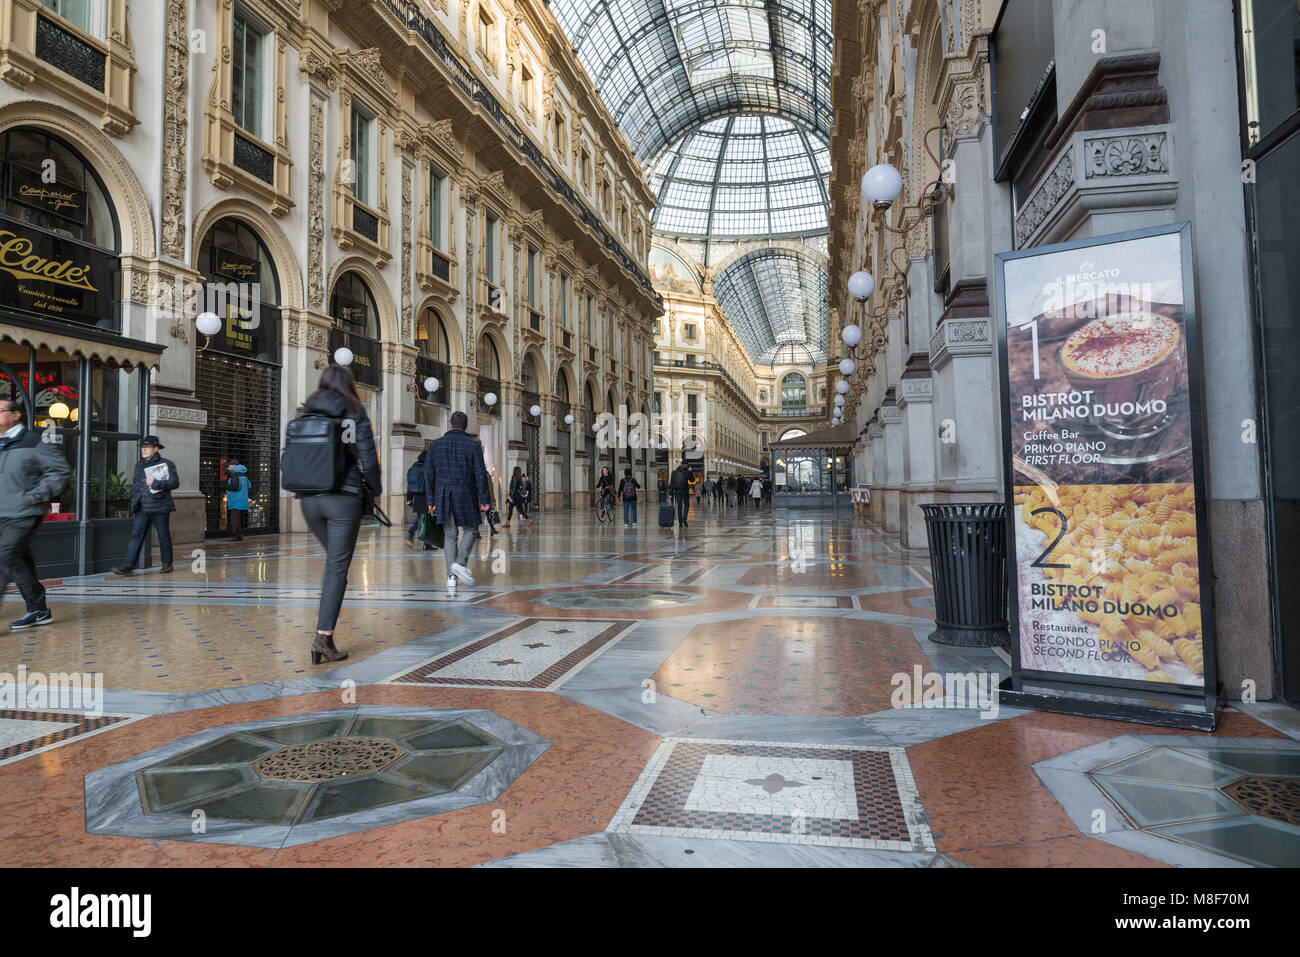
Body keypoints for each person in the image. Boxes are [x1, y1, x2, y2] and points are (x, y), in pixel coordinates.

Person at [294, 365, 381, 664]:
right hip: (341, 499)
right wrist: (375, 489)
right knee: (336, 567)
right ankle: (322, 639)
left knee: (335, 566)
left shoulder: (306, 414)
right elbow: (367, 459)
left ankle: (325, 636)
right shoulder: (353, 412)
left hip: (308, 501)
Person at [0, 398, 70, 630]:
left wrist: (35, 496)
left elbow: (59, 470)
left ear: (15, 415)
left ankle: (37, 608)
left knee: (4, 557)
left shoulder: (33, 442)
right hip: (3, 512)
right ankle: (38, 609)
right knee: (17, 559)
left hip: (24, 512)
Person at [425, 410, 491, 590]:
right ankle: (460, 564)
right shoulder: (473, 445)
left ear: (450, 424)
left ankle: (451, 578)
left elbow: (428, 475)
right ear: (467, 426)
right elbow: (480, 474)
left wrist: (431, 500)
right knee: (471, 529)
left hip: (443, 494)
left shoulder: (436, 445)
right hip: (465, 493)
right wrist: (485, 499)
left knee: (450, 535)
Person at [113, 435, 180, 576]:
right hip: (142, 506)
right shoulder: (139, 464)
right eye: (142, 447)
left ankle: (167, 564)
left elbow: (175, 483)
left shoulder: (167, 464)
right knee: (136, 535)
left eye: (147, 447)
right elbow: (136, 484)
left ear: (155, 449)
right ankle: (128, 566)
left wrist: (155, 483)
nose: (143, 449)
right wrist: (134, 499)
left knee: (163, 535)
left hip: (159, 506)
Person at [404, 451, 434, 550]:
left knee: (423, 519)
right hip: (426, 497)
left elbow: (410, 485)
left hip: (417, 498)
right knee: (425, 520)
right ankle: (411, 532)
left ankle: (427, 543)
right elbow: (431, 484)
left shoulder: (413, 468)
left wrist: (409, 499)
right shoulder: (427, 468)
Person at [225, 458, 250, 542]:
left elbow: (235, 487)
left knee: (235, 519)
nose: (228, 469)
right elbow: (249, 486)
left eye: (228, 467)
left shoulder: (235, 475)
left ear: (233, 466)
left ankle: (235, 536)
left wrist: (226, 485)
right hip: (242, 501)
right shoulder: (244, 475)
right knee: (240, 520)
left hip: (235, 502)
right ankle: (240, 535)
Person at [670, 459, 692, 528]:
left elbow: (671, 483)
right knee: (687, 505)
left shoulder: (674, 472)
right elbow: (692, 480)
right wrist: (690, 472)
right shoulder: (687, 472)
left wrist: (670, 493)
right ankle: (684, 519)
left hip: (677, 491)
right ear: (686, 465)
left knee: (679, 507)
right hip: (685, 491)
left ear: (681, 464)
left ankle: (680, 523)